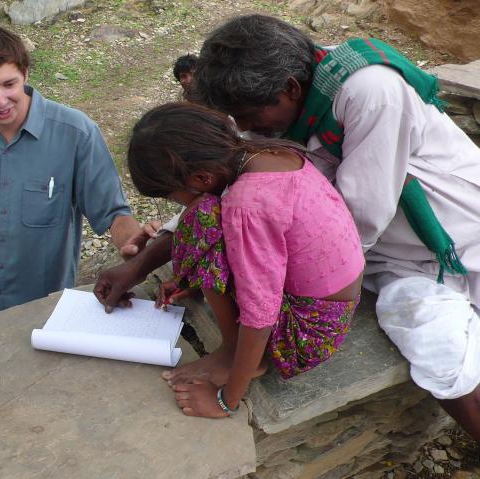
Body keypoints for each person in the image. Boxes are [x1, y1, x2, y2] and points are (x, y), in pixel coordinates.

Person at [99, 14, 480, 438]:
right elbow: (218, 182)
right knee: (440, 352)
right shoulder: (268, 106)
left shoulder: (372, 93)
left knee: (443, 353)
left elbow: (354, 220)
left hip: (454, 236)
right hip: (387, 260)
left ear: (291, 90)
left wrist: (224, 269)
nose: (243, 129)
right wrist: (144, 264)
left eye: (246, 117)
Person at [125, 102, 364, 417]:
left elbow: (260, 310)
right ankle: (232, 345)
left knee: (200, 219)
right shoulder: (265, 154)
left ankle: (231, 353)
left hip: (303, 335)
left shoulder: (245, 203)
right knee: (206, 218)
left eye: (173, 196)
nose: (177, 202)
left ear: (200, 177)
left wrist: (227, 400)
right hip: (331, 314)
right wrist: (195, 281)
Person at [0, 24, 143, 318]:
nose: (0, 101)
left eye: (9, 84)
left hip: (45, 310)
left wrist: (135, 250)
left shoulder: (77, 133)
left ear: (25, 73)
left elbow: (113, 213)